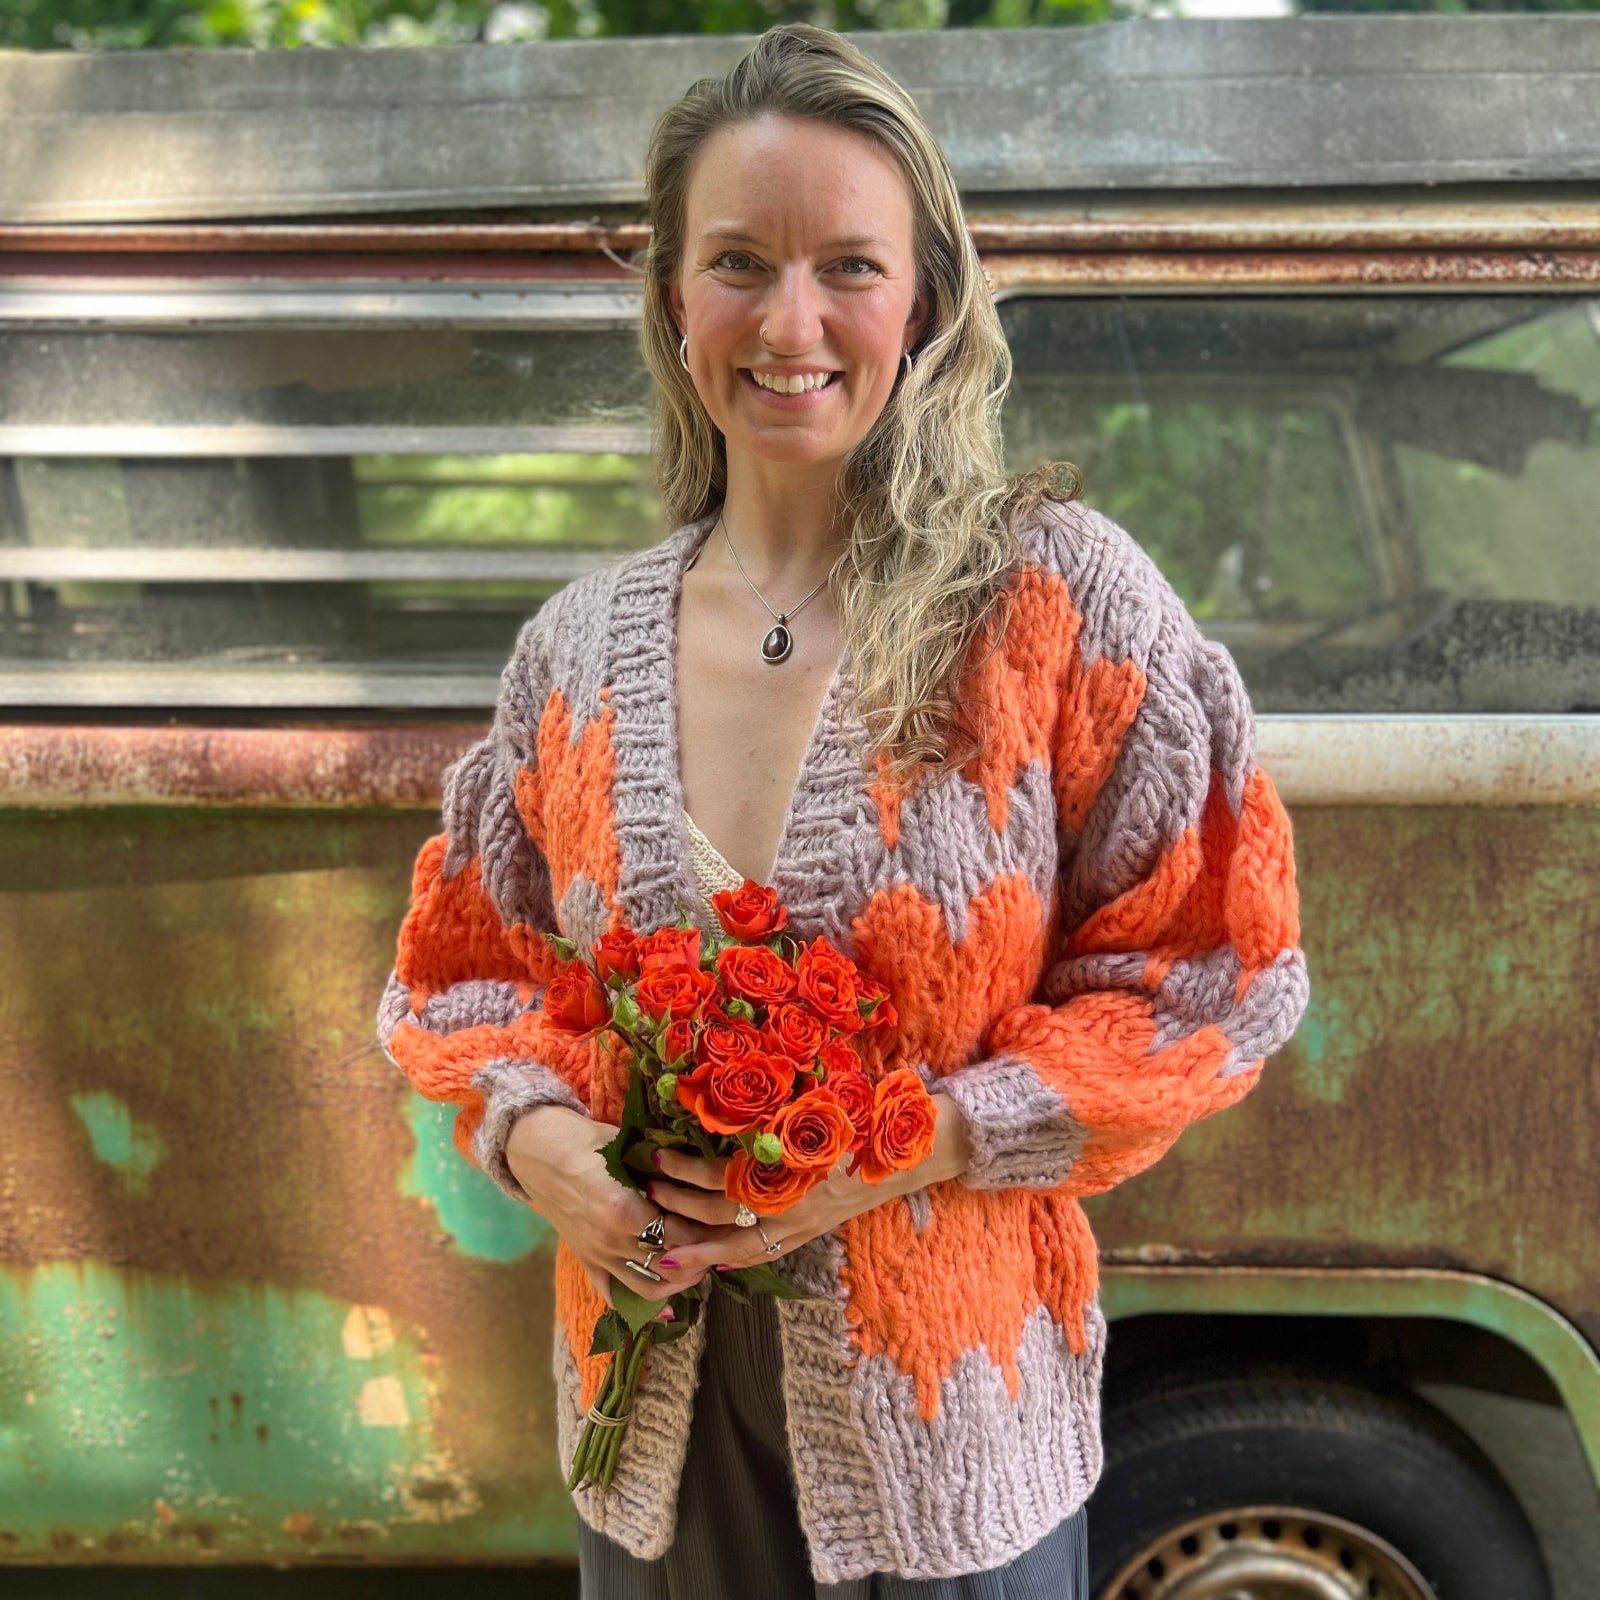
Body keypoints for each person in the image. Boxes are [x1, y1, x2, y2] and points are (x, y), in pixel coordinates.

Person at [376, 22, 1309, 1600]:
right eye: (738, 262)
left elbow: (1211, 973)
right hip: (650, 1440)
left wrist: (916, 1140)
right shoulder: (573, 658)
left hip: (952, 1433)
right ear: (674, 301)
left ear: (925, 299)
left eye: (849, 268)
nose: (789, 320)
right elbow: (471, 980)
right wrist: (533, 1139)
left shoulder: (1055, 606)